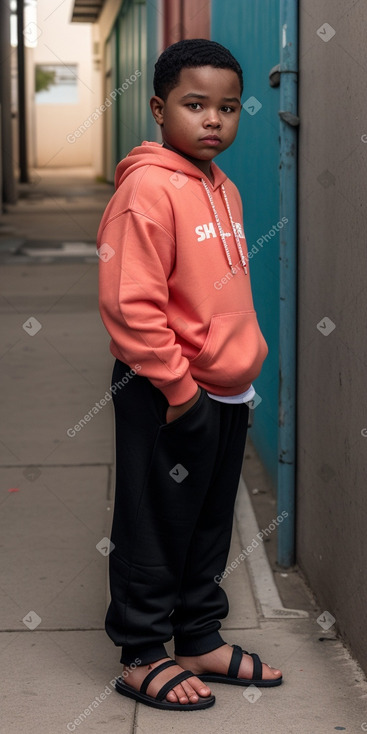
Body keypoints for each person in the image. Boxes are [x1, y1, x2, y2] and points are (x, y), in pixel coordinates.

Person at [97, 38, 282, 712]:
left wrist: (236, 374)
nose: (213, 120)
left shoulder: (221, 186)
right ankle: (143, 654)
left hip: (227, 386)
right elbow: (128, 302)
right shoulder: (146, 188)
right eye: (194, 104)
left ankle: (196, 634)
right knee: (153, 521)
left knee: (207, 519)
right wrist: (178, 388)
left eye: (227, 107)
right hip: (166, 391)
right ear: (158, 108)